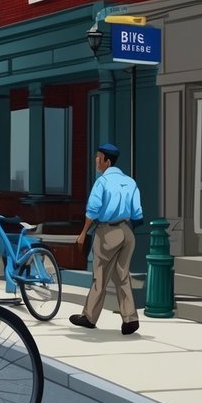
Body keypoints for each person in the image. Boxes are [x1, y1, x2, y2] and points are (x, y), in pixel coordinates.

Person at [70, 143, 144, 335]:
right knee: (122, 275)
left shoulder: (102, 182)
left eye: (98, 157)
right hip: (127, 232)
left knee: (100, 276)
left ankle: (89, 317)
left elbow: (92, 210)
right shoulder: (130, 182)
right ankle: (130, 318)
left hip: (107, 232)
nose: (96, 160)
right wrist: (125, 226)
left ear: (107, 161)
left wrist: (83, 232)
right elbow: (138, 214)